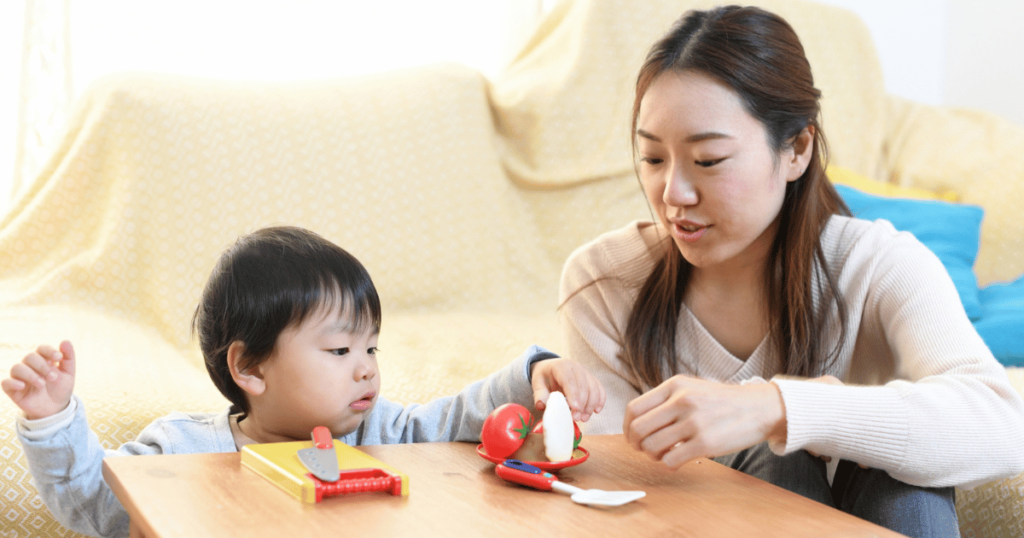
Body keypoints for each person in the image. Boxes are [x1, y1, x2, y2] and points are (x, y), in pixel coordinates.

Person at [557, 6, 1024, 537]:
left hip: (874, 509)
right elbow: (613, 488)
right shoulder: (605, 283)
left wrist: (777, 408)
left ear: (798, 149)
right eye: (653, 159)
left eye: (708, 161)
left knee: (905, 481)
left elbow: (1004, 426)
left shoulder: (878, 265)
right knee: (780, 465)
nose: (674, 195)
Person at [4, 225, 606, 538]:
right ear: (249, 368)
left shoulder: (382, 431)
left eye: (370, 346)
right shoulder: (184, 452)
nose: (366, 365)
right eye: (340, 348)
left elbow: (457, 419)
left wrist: (530, 375)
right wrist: (53, 419)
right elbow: (92, 503)